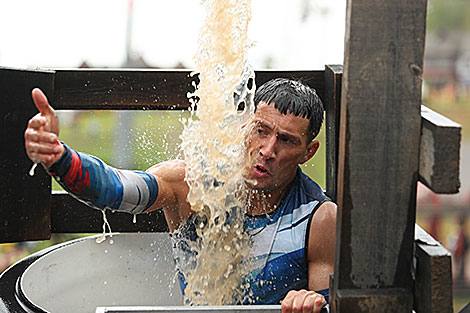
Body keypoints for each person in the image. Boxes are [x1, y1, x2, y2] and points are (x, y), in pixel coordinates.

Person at [24, 78, 336, 313]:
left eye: (286, 140)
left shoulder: (319, 218)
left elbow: (327, 305)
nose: (268, 150)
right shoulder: (193, 184)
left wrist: (314, 302)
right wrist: (59, 158)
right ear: (244, 125)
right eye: (261, 130)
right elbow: (116, 189)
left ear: (308, 152)